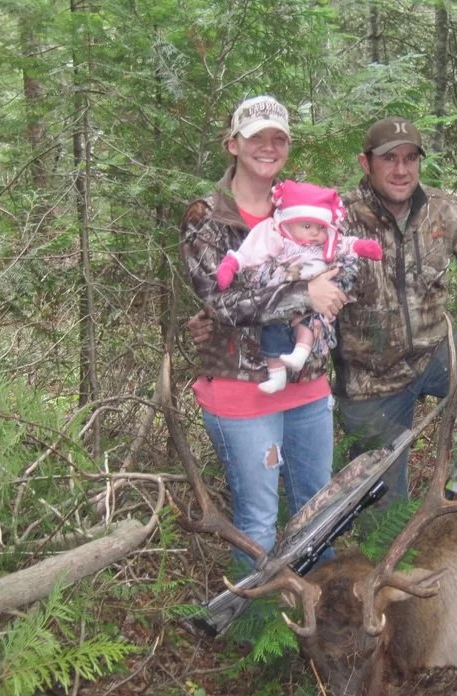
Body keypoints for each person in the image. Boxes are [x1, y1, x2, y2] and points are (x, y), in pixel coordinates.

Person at [334, 116, 457, 539]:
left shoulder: (443, 210)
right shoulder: (338, 217)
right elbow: (293, 270)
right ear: (365, 163)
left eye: (411, 158)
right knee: (384, 531)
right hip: (370, 383)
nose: (402, 170)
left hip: (433, 354)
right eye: (390, 159)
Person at [179, 95, 350, 570]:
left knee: (319, 518)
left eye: (279, 138)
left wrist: (324, 288)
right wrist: (304, 296)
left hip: (308, 387)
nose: (268, 147)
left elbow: (342, 273)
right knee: (257, 524)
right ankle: (253, 628)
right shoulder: (206, 215)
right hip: (241, 392)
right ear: (233, 144)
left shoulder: (303, 207)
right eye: (256, 138)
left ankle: (313, 629)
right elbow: (220, 299)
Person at [215, 180, 382, 393]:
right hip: (277, 302)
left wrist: (362, 247)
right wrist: (231, 265)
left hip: (313, 306)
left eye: (320, 228)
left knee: (310, 322)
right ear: (288, 222)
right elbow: (250, 253)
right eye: (307, 226)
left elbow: (346, 244)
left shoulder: (324, 245)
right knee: (271, 332)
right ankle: (277, 375)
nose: (314, 233)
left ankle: (300, 353)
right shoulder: (277, 238)